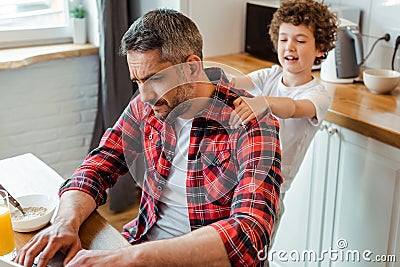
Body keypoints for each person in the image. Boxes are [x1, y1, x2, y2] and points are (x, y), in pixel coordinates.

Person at [15, 9, 283, 267]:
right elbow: (99, 164)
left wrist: (128, 258)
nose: (143, 96)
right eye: (138, 81)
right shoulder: (149, 104)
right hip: (139, 244)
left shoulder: (251, 122)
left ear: (191, 67)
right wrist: (65, 223)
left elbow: (249, 234)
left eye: (154, 78)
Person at [228, 0, 338, 258]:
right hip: (239, 178)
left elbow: (292, 108)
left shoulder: (318, 94)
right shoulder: (270, 75)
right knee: (226, 250)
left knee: (253, 255)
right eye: (284, 39)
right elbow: (238, 82)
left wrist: (263, 102)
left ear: (320, 47)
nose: (290, 46)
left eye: (300, 40)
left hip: (270, 192)